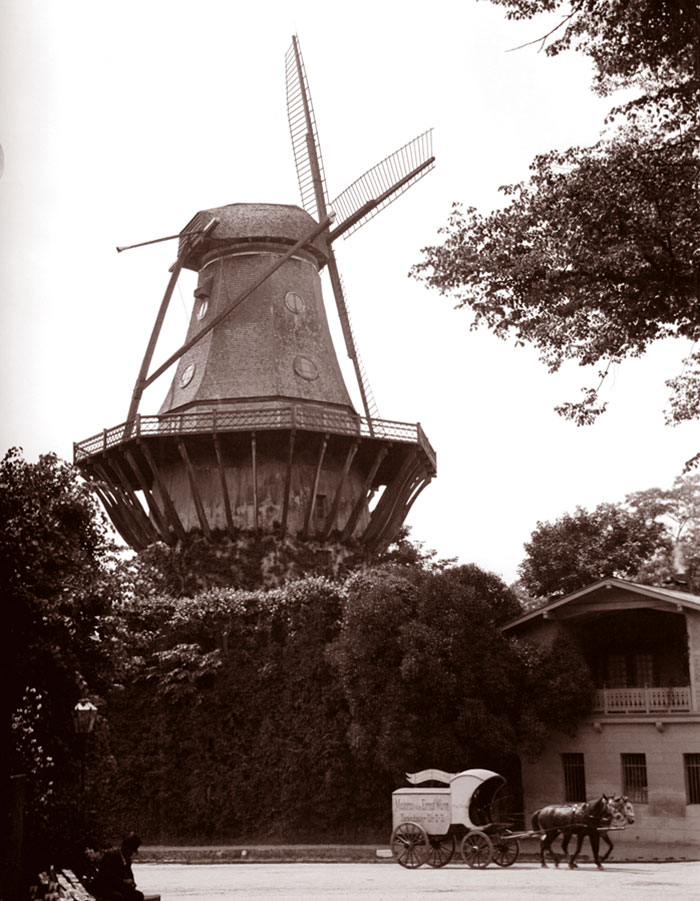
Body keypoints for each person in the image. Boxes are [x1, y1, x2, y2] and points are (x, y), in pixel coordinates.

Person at [93, 833, 144, 901]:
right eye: (131, 850)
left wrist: (132, 883)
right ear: (125, 847)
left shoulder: (127, 860)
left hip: (119, 888)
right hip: (106, 887)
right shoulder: (110, 856)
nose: (131, 854)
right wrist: (123, 881)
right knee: (118, 897)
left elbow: (130, 875)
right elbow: (106, 875)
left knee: (138, 896)